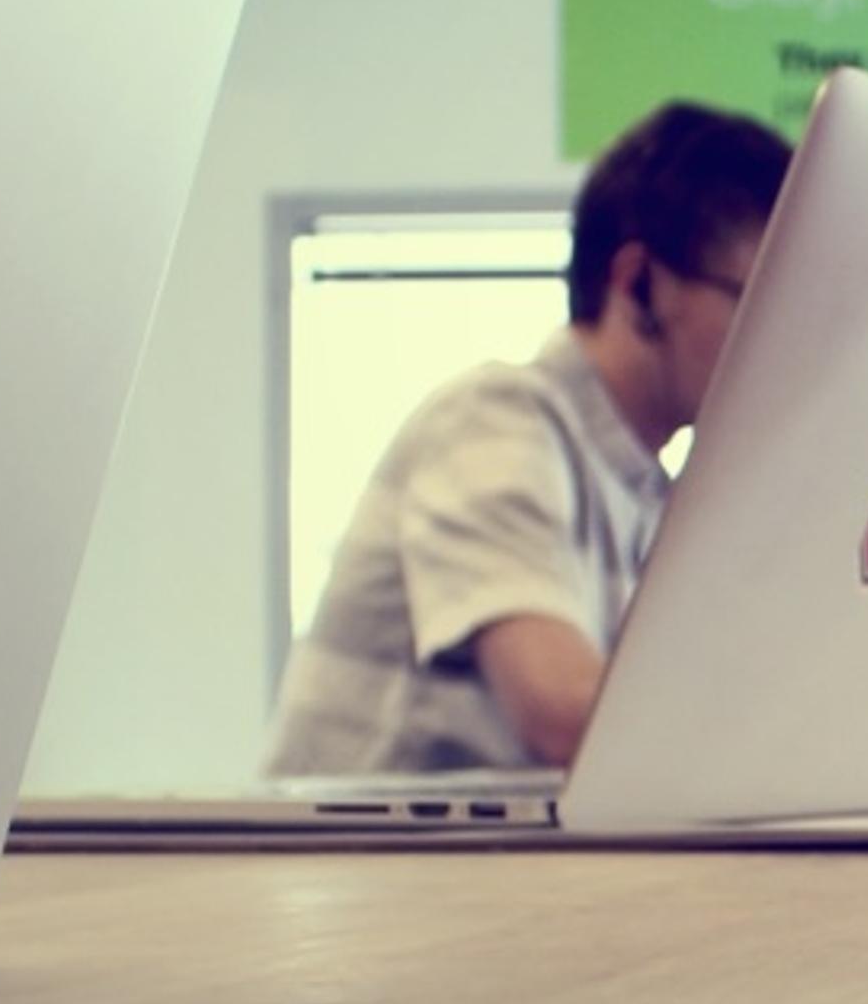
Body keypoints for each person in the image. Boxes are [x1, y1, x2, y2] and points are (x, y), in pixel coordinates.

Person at [266, 100, 789, 777]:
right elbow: (566, 716)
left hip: (464, 875)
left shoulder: (648, 490)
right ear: (638, 287)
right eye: (755, 299)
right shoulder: (494, 421)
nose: (779, 339)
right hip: (357, 876)